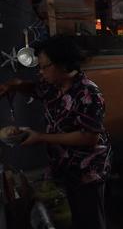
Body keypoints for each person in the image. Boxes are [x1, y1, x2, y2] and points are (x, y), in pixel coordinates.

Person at [0, 36, 111, 229]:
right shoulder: (54, 85)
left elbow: (88, 137)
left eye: (44, 67)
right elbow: (35, 89)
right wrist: (15, 85)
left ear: (63, 64)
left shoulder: (88, 94)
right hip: (65, 164)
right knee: (77, 215)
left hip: (88, 169)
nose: (40, 72)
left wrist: (40, 137)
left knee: (90, 218)